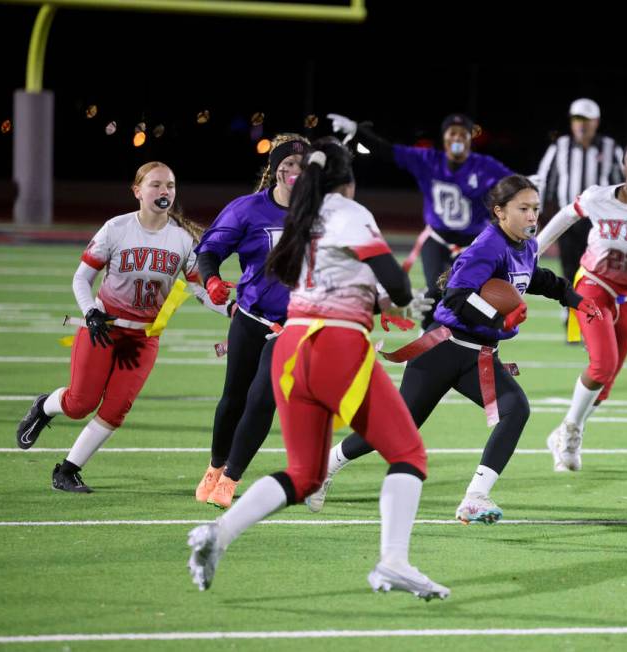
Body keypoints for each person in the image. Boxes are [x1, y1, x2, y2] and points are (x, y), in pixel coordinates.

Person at [186, 138, 449, 600]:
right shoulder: (349, 212)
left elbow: (328, 282)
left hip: (291, 346)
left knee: (305, 474)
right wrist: (403, 298)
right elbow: (397, 282)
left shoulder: (300, 217)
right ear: (348, 180)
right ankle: (393, 561)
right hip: (333, 345)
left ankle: (219, 533)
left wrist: (380, 301)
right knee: (409, 454)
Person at [303, 175, 603, 523]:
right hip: (444, 348)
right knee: (396, 429)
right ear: (500, 212)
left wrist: (576, 300)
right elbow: (456, 296)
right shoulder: (488, 245)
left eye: (535, 208)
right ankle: (327, 464)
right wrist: (497, 319)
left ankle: (475, 496)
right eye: (523, 209)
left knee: (515, 408)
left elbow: (535, 277)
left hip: (480, 355)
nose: (533, 216)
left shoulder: (525, 244)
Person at [15, 162, 228, 492]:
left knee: (115, 411)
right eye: (156, 185)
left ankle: (67, 471)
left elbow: (200, 290)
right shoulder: (116, 228)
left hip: (144, 336)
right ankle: (44, 406)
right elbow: (82, 277)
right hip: (104, 327)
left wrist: (233, 309)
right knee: (80, 404)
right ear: (137, 191)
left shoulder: (183, 240)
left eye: (170, 186)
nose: (164, 192)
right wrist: (90, 312)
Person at [536, 139, 627, 472]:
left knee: (607, 383)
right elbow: (564, 217)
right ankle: (572, 431)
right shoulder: (598, 197)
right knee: (602, 365)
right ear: (623, 164)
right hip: (594, 285)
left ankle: (562, 432)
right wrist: (532, 250)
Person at [193, 133, 311, 509]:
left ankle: (230, 478)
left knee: (263, 397)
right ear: (275, 170)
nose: (295, 171)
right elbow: (209, 250)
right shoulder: (247, 209)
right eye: (288, 164)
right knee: (233, 399)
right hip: (250, 316)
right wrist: (211, 280)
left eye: (302, 166)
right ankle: (214, 467)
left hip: (294, 326)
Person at [327, 112, 515, 326]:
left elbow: (513, 184)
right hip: (437, 239)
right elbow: (389, 152)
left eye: (463, 134)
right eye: (452, 133)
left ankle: (469, 343)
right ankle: (425, 339)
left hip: (473, 244)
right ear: (444, 137)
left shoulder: (485, 165)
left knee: (472, 295)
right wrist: (358, 132)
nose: (457, 138)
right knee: (435, 292)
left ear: (470, 139)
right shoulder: (429, 160)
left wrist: (526, 186)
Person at [535, 98, 624, 285]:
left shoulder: (610, 147)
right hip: (567, 220)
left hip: (599, 221)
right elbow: (544, 182)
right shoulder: (560, 146)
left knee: (598, 271)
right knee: (569, 269)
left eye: (586, 119)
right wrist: (538, 214)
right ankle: (570, 312)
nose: (581, 124)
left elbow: (622, 184)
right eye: (577, 119)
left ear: (596, 122)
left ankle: (595, 310)